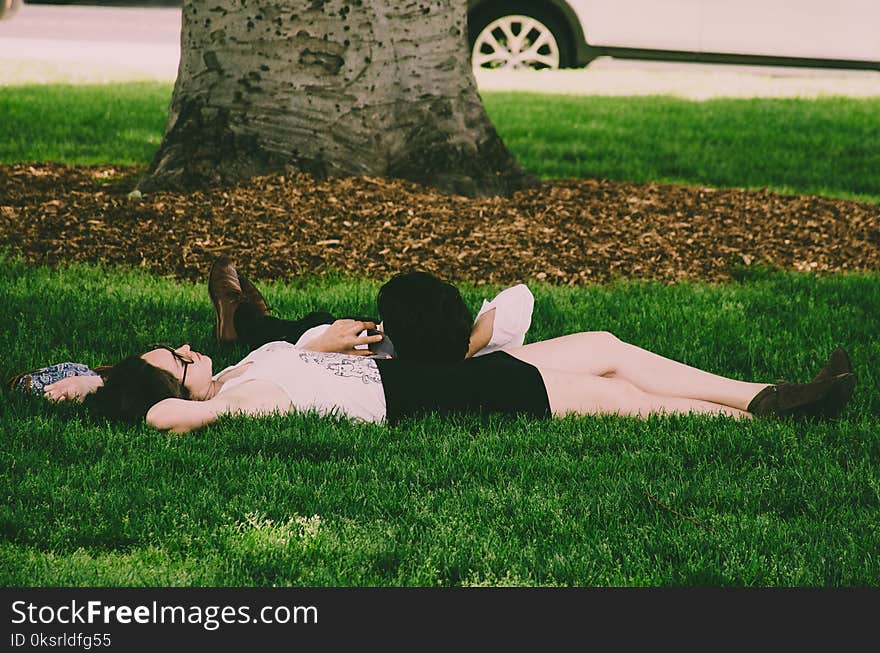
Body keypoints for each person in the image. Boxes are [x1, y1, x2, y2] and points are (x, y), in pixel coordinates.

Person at [70, 262, 855, 432]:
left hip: (420, 367)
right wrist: (117, 396)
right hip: (425, 393)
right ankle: (764, 421)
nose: (185, 349)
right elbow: (158, 416)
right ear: (175, 390)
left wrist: (328, 338)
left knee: (608, 344)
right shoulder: (229, 401)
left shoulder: (242, 368)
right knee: (617, 397)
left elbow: (294, 352)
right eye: (178, 359)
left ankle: (765, 391)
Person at [36, 258, 534, 402]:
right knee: (311, 322)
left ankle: (240, 316)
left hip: (305, 348)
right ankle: (241, 316)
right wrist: (465, 342)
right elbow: (520, 298)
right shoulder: (443, 343)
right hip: (311, 346)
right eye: (179, 357)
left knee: (302, 325)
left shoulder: (404, 371)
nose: (186, 350)